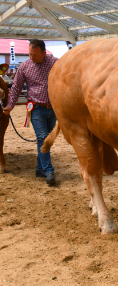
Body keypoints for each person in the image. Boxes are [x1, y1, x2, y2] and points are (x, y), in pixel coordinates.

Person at [2, 39, 58, 185]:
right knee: (42, 138)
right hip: (36, 109)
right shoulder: (25, 67)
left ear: (44, 53)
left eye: (35, 55)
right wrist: (10, 106)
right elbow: (16, 88)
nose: (31, 57)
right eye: (30, 54)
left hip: (53, 109)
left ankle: (40, 169)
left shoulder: (55, 63)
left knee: (46, 141)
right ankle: (49, 170)